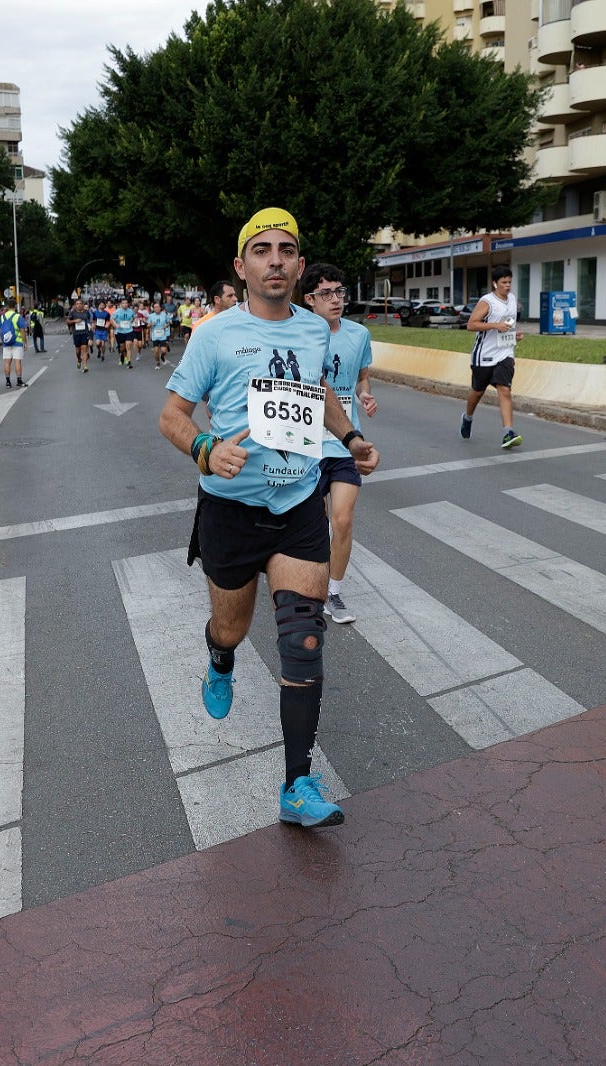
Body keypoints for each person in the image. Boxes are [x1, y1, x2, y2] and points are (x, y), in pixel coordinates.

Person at [159, 208, 380, 829]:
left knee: (303, 641)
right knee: (232, 627)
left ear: (301, 266)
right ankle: (220, 656)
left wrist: (352, 437)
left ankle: (297, 784)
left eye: (287, 249)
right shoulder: (213, 335)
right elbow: (172, 416)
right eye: (262, 250)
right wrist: (206, 447)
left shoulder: (315, 331)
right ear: (242, 265)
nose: (275, 259)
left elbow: (323, 394)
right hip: (231, 509)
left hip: (298, 504)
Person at [301, 263, 377, 625]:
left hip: (344, 443)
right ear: (309, 300)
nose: (336, 299)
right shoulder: (298, 333)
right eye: (326, 293)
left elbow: (362, 379)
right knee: (314, 523)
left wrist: (366, 396)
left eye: (340, 292)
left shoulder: (359, 334)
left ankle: (334, 592)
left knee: (343, 520)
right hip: (307, 446)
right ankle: (303, 583)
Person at [461, 265, 523, 449]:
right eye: (504, 282)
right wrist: (495, 325)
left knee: (505, 390)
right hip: (484, 355)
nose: (507, 286)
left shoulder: (512, 299)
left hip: (505, 352)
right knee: (478, 391)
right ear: (495, 283)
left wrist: (515, 335)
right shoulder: (487, 301)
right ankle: (467, 417)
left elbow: (509, 324)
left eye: (510, 282)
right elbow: (471, 325)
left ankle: (508, 432)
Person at [0, 306, 25, 388]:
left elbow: (0, 330)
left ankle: (8, 382)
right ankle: (19, 380)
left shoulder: (2, 317)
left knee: (7, 362)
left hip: (6, 343)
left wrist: (3, 340)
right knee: (17, 362)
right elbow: (22, 331)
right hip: (17, 342)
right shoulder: (18, 316)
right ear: (14, 307)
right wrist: (25, 342)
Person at [67, 299, 92, 372]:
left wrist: (92, 325)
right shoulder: (73, 313)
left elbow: (90, 321)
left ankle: (85, 366)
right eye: (77, 304)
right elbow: (68, 321)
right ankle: (79, 359)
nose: (79, 305)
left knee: (84, 349)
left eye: (80, 303)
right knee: (78, 351)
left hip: (85, 333)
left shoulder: (86, 312)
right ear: (75, 305)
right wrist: (74, 321)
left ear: (83, 305)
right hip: (76, 334)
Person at [112, 296, 137, 368]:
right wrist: (115, 324)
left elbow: (134, 317)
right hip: (120, 332)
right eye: (123, 303)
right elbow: (112, 319)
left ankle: (129, 362)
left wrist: (132, 321)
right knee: (122, 348)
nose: (125, 304)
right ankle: (122, 355)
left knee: (128, 346)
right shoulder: (117, 311)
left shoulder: (130, 311)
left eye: (126, 303)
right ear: (121, 304)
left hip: (129, 331)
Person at [148, 301, 174, 368]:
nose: (157, 308)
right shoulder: (151, 316)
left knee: (164, 351)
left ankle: (162, 356)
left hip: (162, 336)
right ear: (153, 308)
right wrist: (151, 324)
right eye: (155, 307)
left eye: (158, 307)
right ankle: (157, 363)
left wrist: (166, 325)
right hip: (155, 336)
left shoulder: (164, 314)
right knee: (156, 351)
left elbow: (169, 322)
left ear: (160, 308)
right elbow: (147, 325)